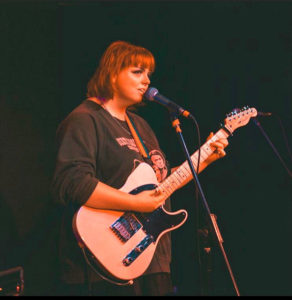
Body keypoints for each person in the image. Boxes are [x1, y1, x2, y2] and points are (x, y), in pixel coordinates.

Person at [51, 40, 228, 296]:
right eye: (137, 72)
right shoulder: (85, 119)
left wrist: (207, 157)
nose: (146, 81)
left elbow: (163, 183)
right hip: (103, 266)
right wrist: (136, 204)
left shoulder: (140, 125)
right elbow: (72, 183)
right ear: (112, 74)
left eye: (148, 74)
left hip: (152, 260)